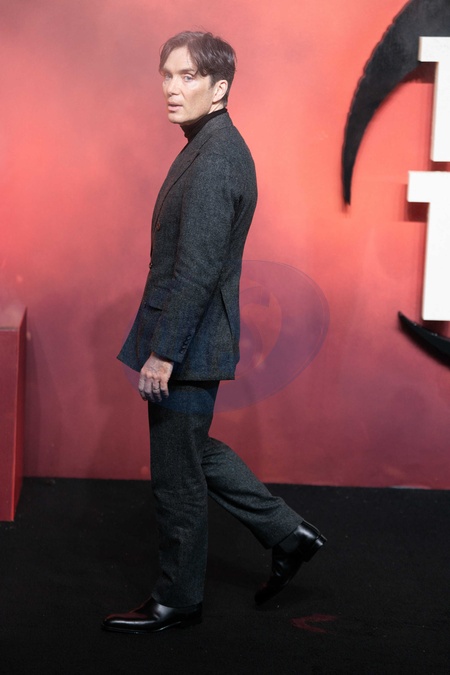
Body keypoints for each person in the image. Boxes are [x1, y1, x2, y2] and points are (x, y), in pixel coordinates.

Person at [102, 31, 326, 635]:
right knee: (191, 450)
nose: (172, 89)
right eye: (166, 75)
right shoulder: (208, 144)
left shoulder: (217, 156)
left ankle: (178, 600)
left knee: (176, 476)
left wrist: (163, 354)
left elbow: (198, 269)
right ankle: (288, 534)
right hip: (192, 336)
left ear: (219, 87)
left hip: (189, 342)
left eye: (188, 77)